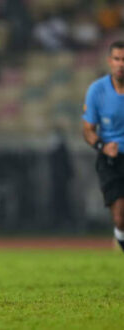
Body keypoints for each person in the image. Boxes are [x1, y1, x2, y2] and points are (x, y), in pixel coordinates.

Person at [82, 40, 124, 252]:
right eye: (117, 59)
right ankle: (119, 235)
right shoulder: (97, 90)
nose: (121, 64)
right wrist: (102, 146)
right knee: (119, 216)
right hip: (111, 158)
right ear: (110, 61)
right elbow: (88, 129)